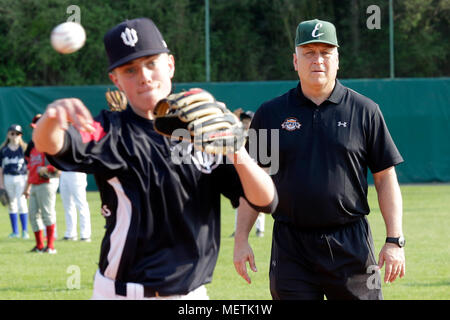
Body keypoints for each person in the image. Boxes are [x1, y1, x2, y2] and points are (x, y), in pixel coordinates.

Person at [32, 17, 277, 300]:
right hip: (121, 294)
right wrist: (51, 118)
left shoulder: (205, 126)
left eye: (151, 63)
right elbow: (53, 144)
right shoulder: (110, 131)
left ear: (170, 64)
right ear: (116, 80)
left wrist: (237, 150)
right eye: (130, 69)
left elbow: (267, 200)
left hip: (190, 296)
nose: (144, 76)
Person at [233, 19, 405, 300]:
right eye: (309, 52)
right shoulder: (271, 114)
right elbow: (253, 181)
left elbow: (385, 178)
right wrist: (241, 240)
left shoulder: (365, 111)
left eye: (326, 52)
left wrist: (394, 240)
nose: (318, 60)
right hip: (291, 247)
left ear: (337, 59)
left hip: (351, 245)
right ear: (295, 60)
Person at [24, 114, 60, 254]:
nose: (34, 131)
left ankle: (50, 246)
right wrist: (27, 187)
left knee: (47, 214)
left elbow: (58, 168)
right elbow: (31, 168)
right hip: (34, 183)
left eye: (36, 128)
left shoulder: (50, 144)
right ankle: (39, 246)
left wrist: (47, 169)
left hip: (46, 183)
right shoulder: (33, 146)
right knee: (33, 215)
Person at [230, 110, 265, 238]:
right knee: (241, 202)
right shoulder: (239, 137)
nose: (246, 124)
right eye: (244, 121)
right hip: (243, 173)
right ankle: (238, 230)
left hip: (256, 173)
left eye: (248, 121)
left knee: (258, 201)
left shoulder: (258, 136)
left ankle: (259, 229)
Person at [0, 124, 29, 239]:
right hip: (8, 178)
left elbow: (29, 167)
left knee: (22, 203)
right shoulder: (3, 150)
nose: (15, 135)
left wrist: (28, 185)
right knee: (11, 204)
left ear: (20, 135)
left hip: (21, 178)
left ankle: (25, 231)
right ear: (8, 135)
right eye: (12, 133)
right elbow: (0, 169)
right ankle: (15, 232)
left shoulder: (24, 149)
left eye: (17, 133)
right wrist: (1, 184)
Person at [60, 170, 92, 242]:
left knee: (81, 204)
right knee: (67, 205)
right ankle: (70, 234)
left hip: (77, 172)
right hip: (64, 172)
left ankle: (85, 235)